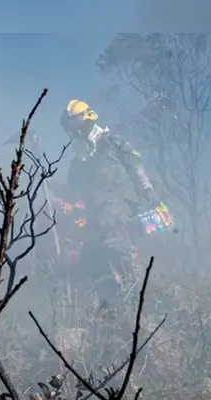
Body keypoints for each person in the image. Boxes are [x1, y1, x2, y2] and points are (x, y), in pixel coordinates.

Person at [60, 99, 158, 304]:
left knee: (112, 237)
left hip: (118, 202)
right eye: (71, 127)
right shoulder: (79, 161)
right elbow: (71, 191)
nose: (75, 131)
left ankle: (137, 289)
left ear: (87, 120)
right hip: (95, 211)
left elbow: (135, 167)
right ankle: (112, 299)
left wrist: (148, 191)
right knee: (91, 255)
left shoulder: (113, 143)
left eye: (76, 125)